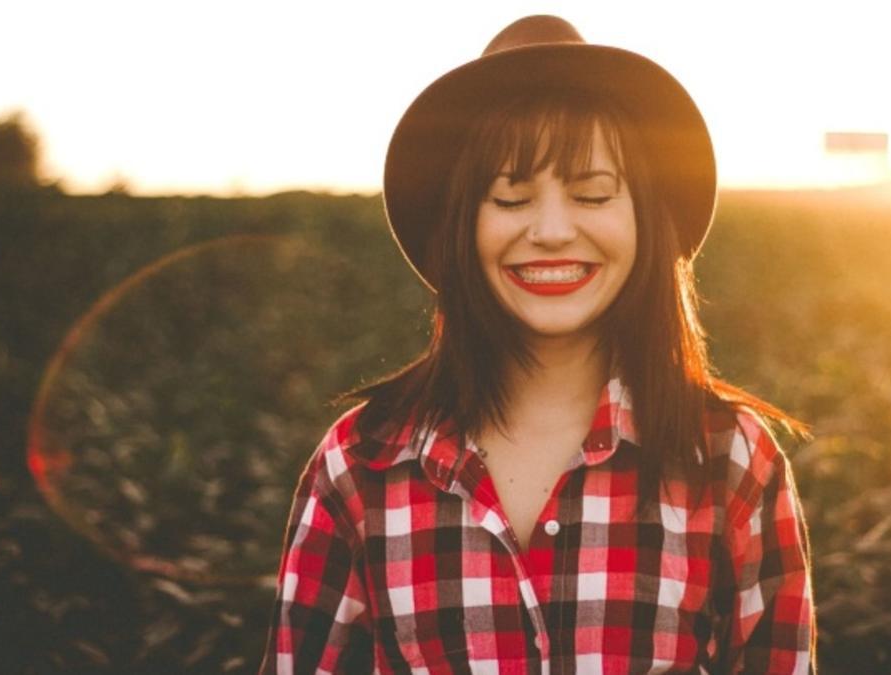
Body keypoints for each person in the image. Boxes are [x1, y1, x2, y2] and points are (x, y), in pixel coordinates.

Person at [261, 15, 815, 674]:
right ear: (461, 225)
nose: (552, 231)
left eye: (593, 193)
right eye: (510, 197)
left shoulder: (731, 461)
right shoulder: (361, 464)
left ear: (646, 217)